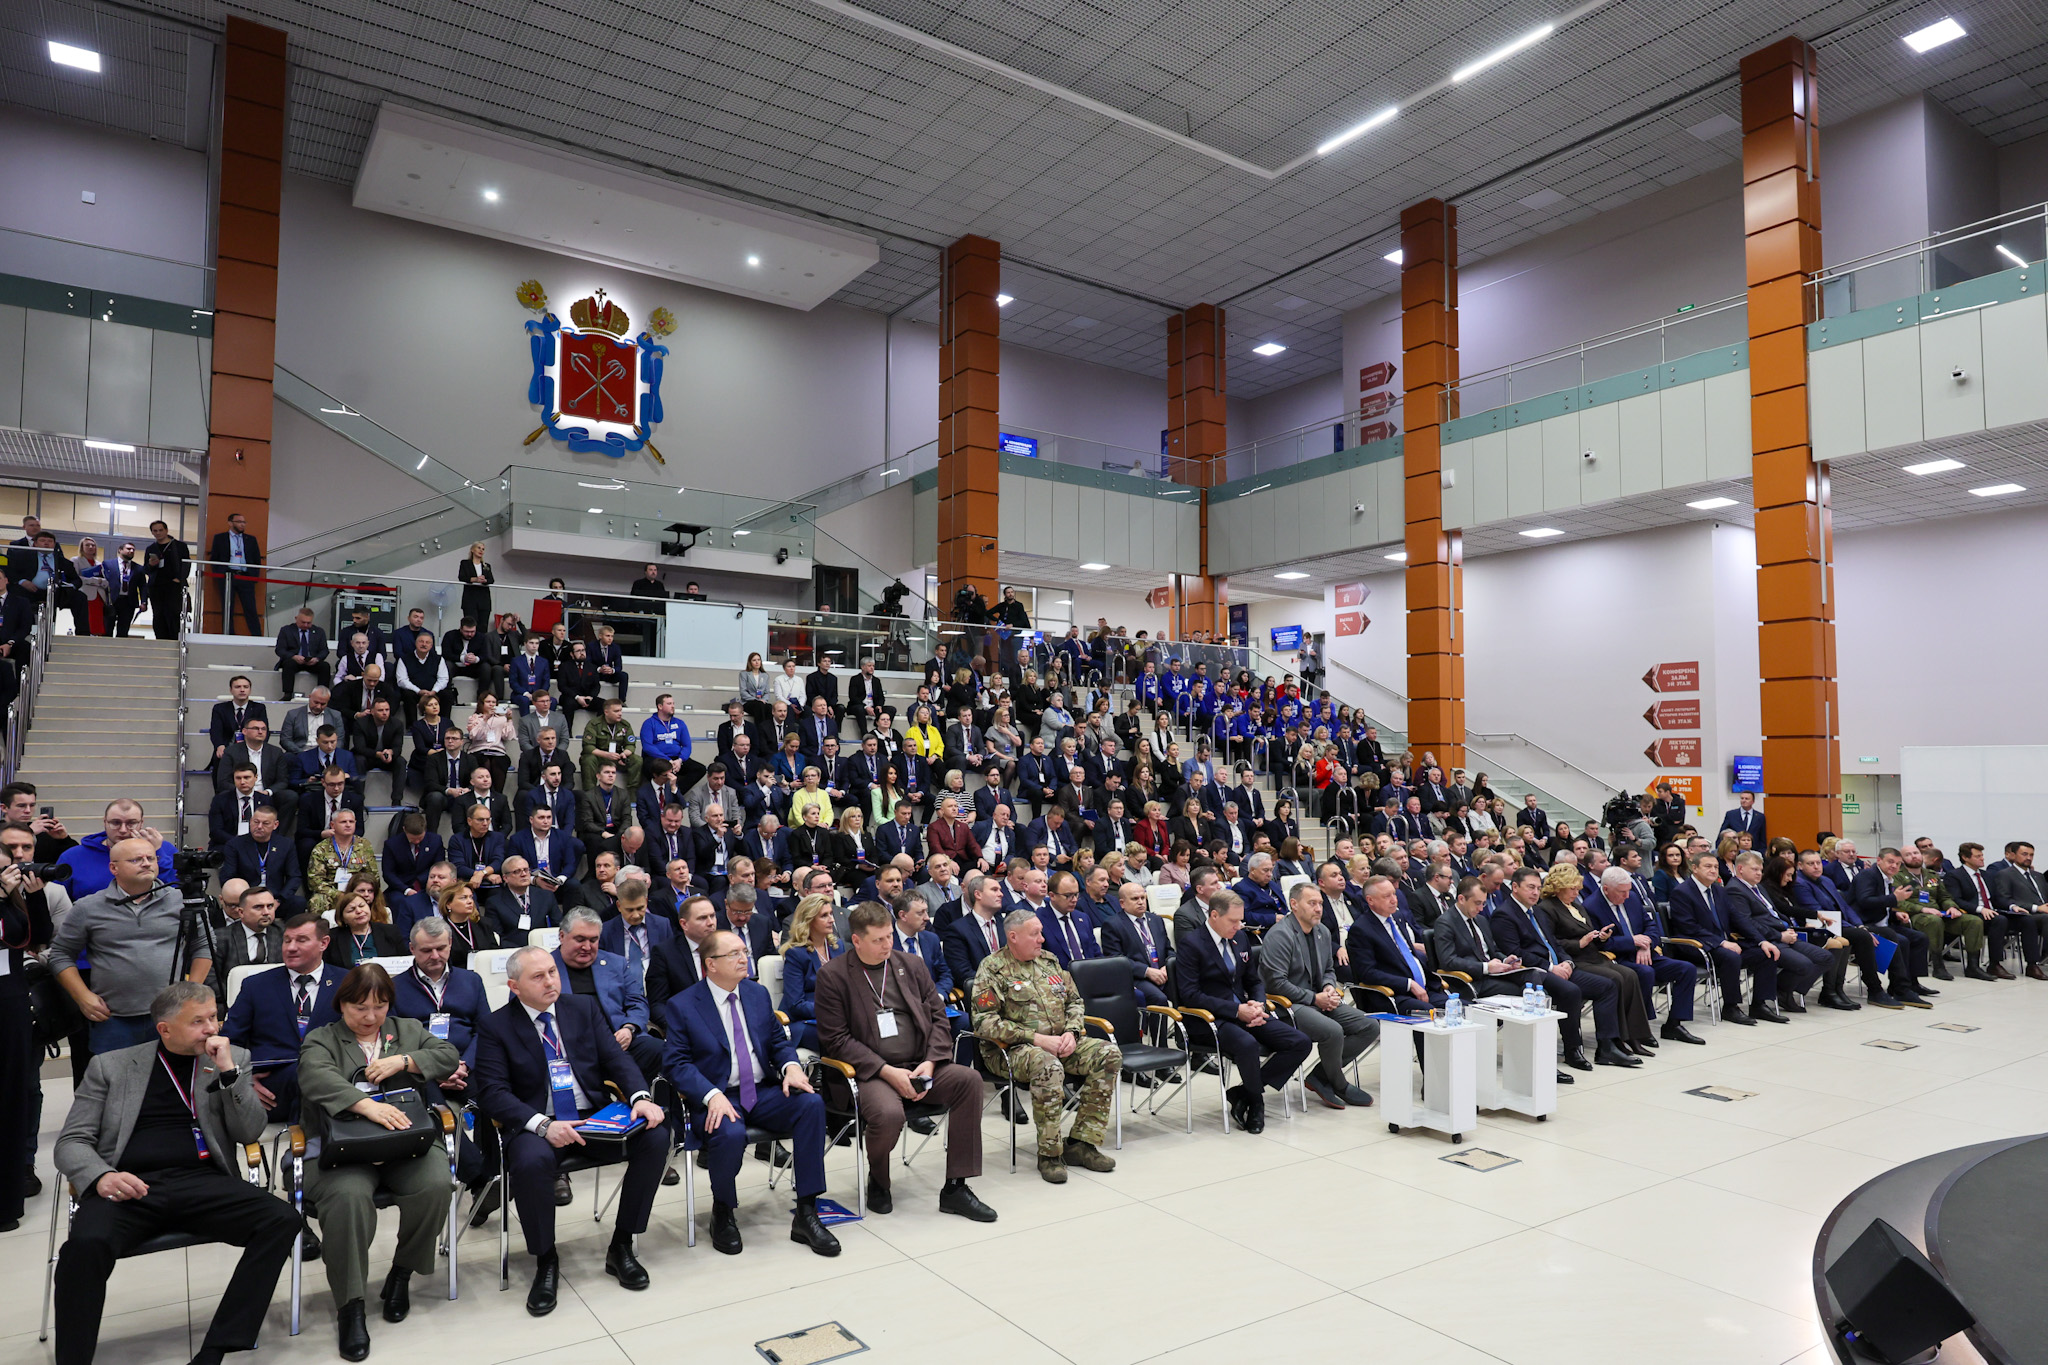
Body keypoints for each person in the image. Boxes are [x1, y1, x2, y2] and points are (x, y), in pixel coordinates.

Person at [52, 981, 302, 1365]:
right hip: (128, 1186)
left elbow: (249, 1132)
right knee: (83, 1247)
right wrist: (101, 1177)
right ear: (164, 1029)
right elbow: (71, 1141)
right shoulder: (111, 1066)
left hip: (202, 1181)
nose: (211, 1029)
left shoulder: (231, 1058)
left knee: (281, 1219)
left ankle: (217, 1348)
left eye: (214, 1017)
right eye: (197, 1021)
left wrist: (229, 1073)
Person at [473, 946, 668, 1315]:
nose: (551, 981)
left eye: (552, 971)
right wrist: (543, 1125)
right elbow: (493, 1092)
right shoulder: (496, 1026)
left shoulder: (582, 1008)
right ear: (514, 987)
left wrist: (640, 1097)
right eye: (538, 976)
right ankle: (546, 1259)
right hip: (537, 1122)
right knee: (530, 1163)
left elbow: (615, 1058)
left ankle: (622, 1244)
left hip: (591, 1117)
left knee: (656, 1136)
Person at [297, 963, 462, 1360]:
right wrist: (366, 1105)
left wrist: (403, 1061)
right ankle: (351, 1306)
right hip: (344, 1151)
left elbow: (448, 1055)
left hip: (403, 1143)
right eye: (360, 1008)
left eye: (380, 1006)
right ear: (342, 1004)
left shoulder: (406, 1030)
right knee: (349, 1200)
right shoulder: (322, 1039)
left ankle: (401, 1273)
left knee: (436, 1184)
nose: (371, 1017)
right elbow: (315, 1077)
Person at [662, 934, 843, 1258]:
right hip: (718, 1094)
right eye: (733, 953)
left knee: (811, 1104)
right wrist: (710, 1094)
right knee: (729, 1132)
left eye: (744, 951)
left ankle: (806, 1211)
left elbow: (778, 1042)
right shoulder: (683, 1005)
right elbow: (676, 1063)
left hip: (761, 1090)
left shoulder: (756, 993)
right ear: (711, 964)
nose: (743, 958)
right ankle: (723, 1210)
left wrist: (791, 1066)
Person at [816, 901, 996, 1220]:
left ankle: (956, 1187)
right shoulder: (833, 976)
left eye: (889, 936)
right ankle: (879, 1178)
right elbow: (836, 1040)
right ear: (856, 940)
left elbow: (939, 1018)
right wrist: (887, 1071)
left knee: (969, 1081)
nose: (887, 944)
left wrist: (932, 1060)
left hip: (919, 1064)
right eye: (878, 940)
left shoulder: (910, 965)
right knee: (888, 1114)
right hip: (869, 1073)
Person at [970, 909, 1121, 1180]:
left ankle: (1082, 1144)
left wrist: (1072, 1033)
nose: (1042, 939)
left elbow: (1074, 1001)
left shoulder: (1049, 962)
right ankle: (1050, 1154)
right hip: (1011, 1050)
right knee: (1048, 1065)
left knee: (1108, 1053)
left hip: (1059, 1042)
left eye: (1041, 932)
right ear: (1013, 937)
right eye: (1035, 934)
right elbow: (984, 1022)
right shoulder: (992, 968)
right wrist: (1036, 1039)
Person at [50, 837, 210, 1054]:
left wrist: (190, 993)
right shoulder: (88, 907)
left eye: (151, 858)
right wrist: (82, 996)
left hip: (172, 1014)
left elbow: (203, 944)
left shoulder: (181, 900)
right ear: (113, 868)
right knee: (113, 1075)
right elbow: (60, 954)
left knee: (171, 1074)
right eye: (136, 860)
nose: (146, 864)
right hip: (113, 1019)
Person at [1175, 889, 1312, 1133]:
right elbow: (1190, 995)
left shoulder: (1240, 938)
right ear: (1214, 915)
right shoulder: (1191, 944)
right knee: (1247, 1044)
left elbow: (1254, 981)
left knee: (1299, 1042)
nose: (1239, 926)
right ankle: (1256, 1104)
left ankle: (1244, 1093)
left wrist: (1258, 1004)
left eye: (1241, 920)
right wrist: (1236, 1010)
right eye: (1233, 921)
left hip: (1245, 1011)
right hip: (1209, 1018)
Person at [1260, 880, 1376, 1108]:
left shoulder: (1321, 931)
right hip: (1289, 1005)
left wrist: (1329, 987)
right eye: (1311, 903)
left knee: (1369, 1025)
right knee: (1332, 1031)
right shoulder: (1280, 935)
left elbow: (1329, 970)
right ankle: (1339, 1083)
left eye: (1320, 903)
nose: (1318, 908)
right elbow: (1276, 983)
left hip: (1318, 999)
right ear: (1294, 904)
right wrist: (1314, 998)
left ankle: (1321, 1076)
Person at [222, 913, 348, 1120]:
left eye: (301, 940)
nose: (290, 948)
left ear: (324, 943)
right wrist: (243, 1083)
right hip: (275, 1088)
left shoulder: (347, 982)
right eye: (287, 940)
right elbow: (229, 1041)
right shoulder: (256, 985)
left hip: (332, 1080)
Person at [1587, 866, 1703, 1044]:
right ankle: (1641, 1027)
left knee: (1686, 969)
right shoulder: (1591, 906)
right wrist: (1632, 941)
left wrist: (1646, 944)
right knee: (1645, 973)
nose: (1627, 896)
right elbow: (1599, 943)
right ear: (1606, 889)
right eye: (1622, 892)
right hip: (1618, 959)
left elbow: (1652, 927)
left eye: (1628, 890)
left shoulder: (1632, 898)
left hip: (1647, 954)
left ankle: (1674, 1024)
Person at [552, 908, 663, 1085]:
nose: (587, 947)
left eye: (593, 940)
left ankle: (640, 1097)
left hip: (619, 1041)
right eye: (580, 939)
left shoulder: (616, 963)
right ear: (562, 936)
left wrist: (629, 1028)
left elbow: (637, 1002)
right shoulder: (545, 968)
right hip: (571, 1049)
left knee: (660, 1050)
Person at [141, 518, 191, 638]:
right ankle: (160, 639)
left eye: (160, 530)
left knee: (173, 613)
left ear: (166, 530)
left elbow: (186, 564)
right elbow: (146, 570)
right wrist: (151, 565)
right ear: (152, 532)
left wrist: (179, 579)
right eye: (155, 531)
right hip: (156, 586)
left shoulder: (180, 546)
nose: (158, 533)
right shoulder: (151, 548)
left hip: (174, 586)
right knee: (158, 615)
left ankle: (174, 639)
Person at [275, 604, 333, 698]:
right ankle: (288, 694)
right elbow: (280, 649)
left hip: (312, 661)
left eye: (308, 623)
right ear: (296, 618)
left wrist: (317, 658)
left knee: (325, 666)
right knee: (288, 664)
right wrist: (293, 656)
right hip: (294, 660)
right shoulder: (286, 630)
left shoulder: (319, 631)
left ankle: (322, 694)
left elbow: (324, 650)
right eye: (303, 622)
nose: (306, 625)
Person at [456, 542, 494, 627]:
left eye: (483, 549)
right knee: (470, 624)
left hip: (484, 599)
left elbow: (491, 580)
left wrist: (484, 580)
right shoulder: (465, 563)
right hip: (470, 598)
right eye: (479, 548)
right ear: (472, 550)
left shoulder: (486, 565)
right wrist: (475, 579)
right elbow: (462, 577)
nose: (481, 550)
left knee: (483, 626)